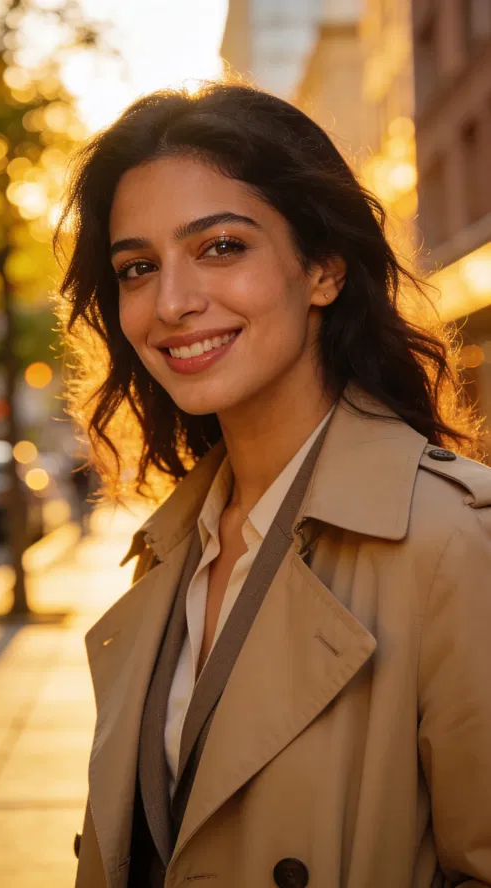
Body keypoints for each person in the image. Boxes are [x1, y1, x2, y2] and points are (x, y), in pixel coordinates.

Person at [54, 82, 491, 888]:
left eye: (221, 247)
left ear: (324, 267)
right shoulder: (171, 550)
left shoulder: (454, 544)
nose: (172, 303)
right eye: (138, 268)